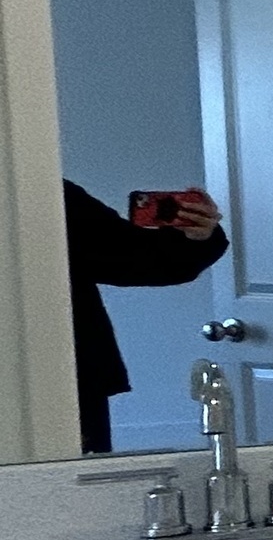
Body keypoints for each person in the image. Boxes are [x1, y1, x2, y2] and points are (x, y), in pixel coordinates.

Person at [64, 180, 227, 454]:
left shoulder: (44, 193)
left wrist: (196, 237)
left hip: (71, 378)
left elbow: (135, 256)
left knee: (72, 487)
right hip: (66, 374)